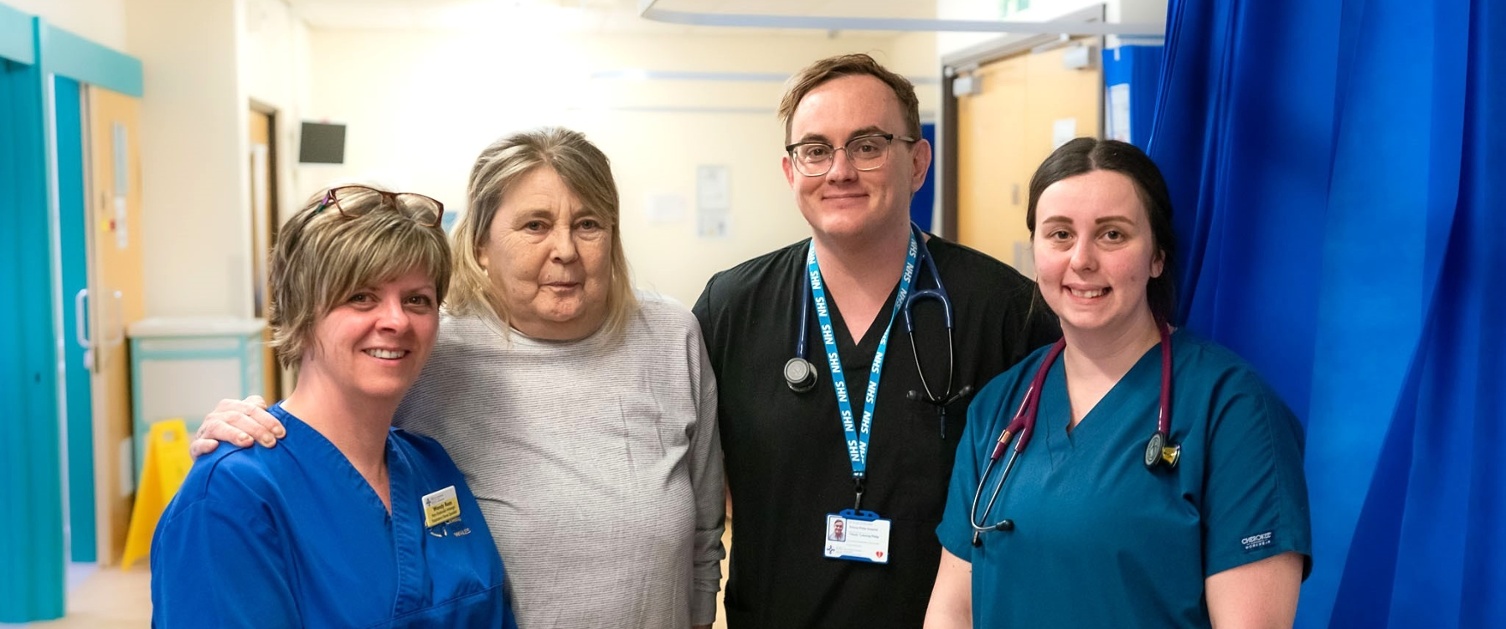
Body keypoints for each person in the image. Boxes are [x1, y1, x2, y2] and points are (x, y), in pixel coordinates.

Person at [193, 128, 725, 629]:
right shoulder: (431, 347)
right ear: (479, 246)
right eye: (535, 225)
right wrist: (253, 429)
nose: (564, 249)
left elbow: (705, 521)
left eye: (588, 224)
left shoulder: (670, 336)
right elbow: (329, 419)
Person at [693, 53, 1060, 628]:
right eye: (815, 150)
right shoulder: (731, 308)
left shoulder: (1005, 311)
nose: (839, 170)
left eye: (867, 145)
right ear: (791, 172)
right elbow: (691, 493)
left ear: (916, 162)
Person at [925, 138, 1312, 628]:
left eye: (1111, 235)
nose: (1082, 259)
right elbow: (952, 610)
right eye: (1060, 234)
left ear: (1157, 257)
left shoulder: (1233, 411)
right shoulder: (1000, 406)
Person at [151, 185, 517, 627]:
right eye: (360, 296)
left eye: (416, 299)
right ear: (302, 312)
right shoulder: (233, 496)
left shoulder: (432, 466)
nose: (396, 320)